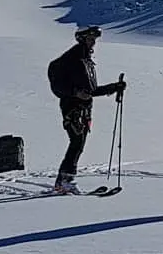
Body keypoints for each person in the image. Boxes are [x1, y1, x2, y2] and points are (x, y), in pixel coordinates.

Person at [47, 26, 126, 194]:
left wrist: (114, 87)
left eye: (94, 39)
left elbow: (91, 91)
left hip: (82, 109)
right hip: (72, 108)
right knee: (76, 143)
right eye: (91, 39)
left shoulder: (85, 61)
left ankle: (63, 181)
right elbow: (58, 86)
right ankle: (64, 180)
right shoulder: (72, 59)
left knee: (78, 143)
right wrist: (75, 92)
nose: (93, 43)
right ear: (82, 39)